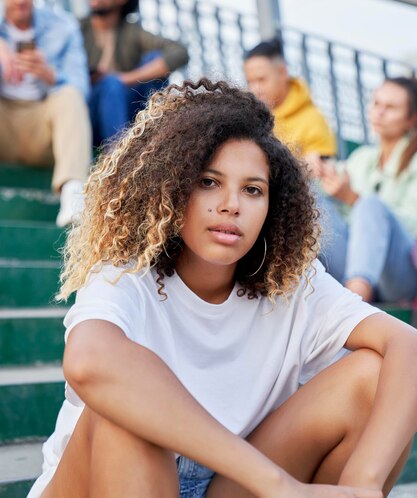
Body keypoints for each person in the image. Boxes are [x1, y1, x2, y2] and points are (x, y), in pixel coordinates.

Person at [29, 79, 417, 498]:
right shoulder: (126, 275)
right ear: (172, 188)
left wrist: (364, 483)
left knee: (374, 377)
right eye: (209, 182)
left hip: (229, 485)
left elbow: (407, 346)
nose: (231, 204)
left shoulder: (293, 285)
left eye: (253, 190)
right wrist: (280, 486)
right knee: (127, 412)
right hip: (106, 477)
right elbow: (89, 361)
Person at [0, 0, 91, 227]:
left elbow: (81, 86)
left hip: (43, 127)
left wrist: (50, 75)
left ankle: (73, 193)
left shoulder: (62, 26)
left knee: (69, 95)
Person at [313, 77, 417, 303]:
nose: (379, 112)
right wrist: (315, 168)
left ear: (411, 119)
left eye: (390, 108)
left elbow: (411, 226)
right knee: (310, 194)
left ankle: (354, 304)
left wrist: (354, 199)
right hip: (351, 267)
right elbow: (329, 180)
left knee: (370, 205)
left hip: (398, 277)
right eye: (377, 104)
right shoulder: (363, 158)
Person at [80, 0, 189, 146]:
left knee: (154, 58)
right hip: (89, 115)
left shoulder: (132, 31)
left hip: (126, 112)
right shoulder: (77, 29)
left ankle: (155, 142)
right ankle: (117, 158)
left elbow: (179, 52)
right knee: (111, 84)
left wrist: (125, 78)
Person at [244, 37, 337, 160]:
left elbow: (320, 174)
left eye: (261, 80)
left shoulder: (313, 121)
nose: (255, 89)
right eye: (250, 81)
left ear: (282, 72)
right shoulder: (248, 119)